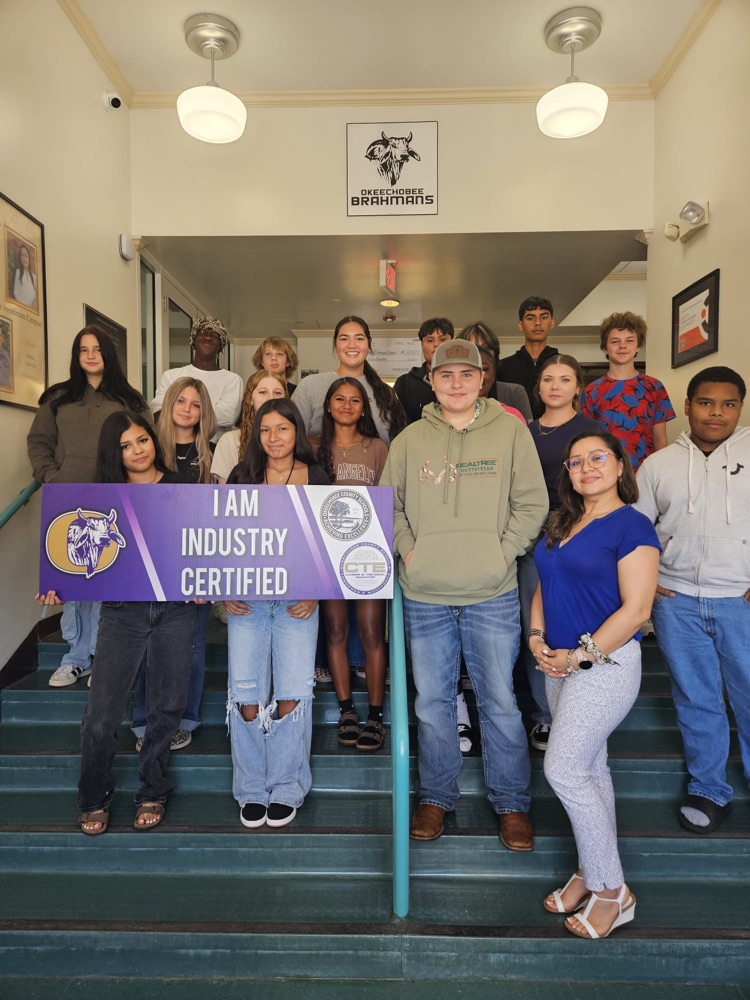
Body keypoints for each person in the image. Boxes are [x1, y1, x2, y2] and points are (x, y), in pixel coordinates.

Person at [381, 340, 548, 848]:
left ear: (483, 380)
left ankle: (512, 804)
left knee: (499, 701)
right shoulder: (408, 440)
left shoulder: (512, 434)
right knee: (432, 703)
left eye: (466, 375)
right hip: (425, 594)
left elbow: (532, 503)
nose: (456, 383)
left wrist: (503, 553)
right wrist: (411, 553)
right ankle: (436, 796)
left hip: (492, 591)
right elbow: (390, 508)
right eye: (445, 375)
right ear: (430, 381)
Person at [35, 411, 199, 834]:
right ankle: (94, 796)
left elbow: (199, 548)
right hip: (122, 614)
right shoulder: (98, 500)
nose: (137, 450)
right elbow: (76, 556)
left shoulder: (184, 487)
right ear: (115, 453)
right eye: (126, 446)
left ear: (153, 440)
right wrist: (59, 585)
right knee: (102, 716)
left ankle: (153, 790)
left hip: (176, 611)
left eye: (142, 440)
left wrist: (205, 581)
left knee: (166, 708)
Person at [530, 431, 659, 938]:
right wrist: (538, 638)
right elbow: (545, 583)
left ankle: (612, 891)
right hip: (559, 665)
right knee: (591, 769)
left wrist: (580, 657)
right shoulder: (562, 522)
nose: (586, 468)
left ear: (621, 465)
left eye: (598, 458)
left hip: (603, 668)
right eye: (576, 461)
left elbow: (637, 610)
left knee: (563, 770)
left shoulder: (632, 525)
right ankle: (589, 868)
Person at [635, 366, 749, 835]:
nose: (716, 413)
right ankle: (709, 788)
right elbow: (636, 530)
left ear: (740, 407)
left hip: (739, 600)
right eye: (705, 402)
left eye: (728, 404)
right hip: (677, 601)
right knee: (697, 698)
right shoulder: (658, 465)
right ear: (686, 406)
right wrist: (648, 579)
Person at [224, 398, 328, 829]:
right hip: (247, 601)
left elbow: (330, 541)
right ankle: (251, 787)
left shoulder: (318, 477)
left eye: (282, 429)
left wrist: (319, 592)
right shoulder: (241, 475)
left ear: (296, 431)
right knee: (245, 695)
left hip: (298, 602)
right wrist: (222, 587)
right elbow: (219, 537)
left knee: (292, 693)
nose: (274, 438)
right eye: (265, 430)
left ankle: (286, 786)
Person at [27, 326, 150, 688]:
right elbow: (38, 443)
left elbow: (144, 443)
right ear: (76, 356)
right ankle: (76, 658)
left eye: (97, 349)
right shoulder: (58, 398)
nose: (91, 355)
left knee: (109, 580)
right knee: (75, 581)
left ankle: (104, 658)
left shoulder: (130, 399)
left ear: (108, 354)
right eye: (84, 349)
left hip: (115, 503)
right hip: (68, 504)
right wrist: (52, 476)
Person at [519, 355, 605, 751]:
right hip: (530, 539)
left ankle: (583, 711)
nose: (555, 386)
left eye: (565, 379)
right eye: (548, 379)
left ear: (577, 387)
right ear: (538, 386)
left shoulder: (590, 430)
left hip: (579, 535)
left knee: (581, 623)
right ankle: (544, 716)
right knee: (537, 627)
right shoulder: (523, 432)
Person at [131, 377, 217, 752]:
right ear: (167, 404)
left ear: (204, 412)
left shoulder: (212, 453)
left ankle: (185, 718)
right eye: (180, 401)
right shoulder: (147, 448)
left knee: (192, 645)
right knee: (148, 643)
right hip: (150, 556)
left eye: (195, 404)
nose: (186, 409)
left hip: (197, 557)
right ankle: (143, 721)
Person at [313, 377, 389, 752]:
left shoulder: (377, 448)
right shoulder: (314, 449)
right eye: (339, 399)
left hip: (369, 553)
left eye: (354, 400)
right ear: (328, 405)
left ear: (364, 407)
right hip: (326, 553)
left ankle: (375, 715)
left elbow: (392, 500)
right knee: (336, 630)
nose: (346, 405)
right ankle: (347, 710)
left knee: (373, 633)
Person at [581, 311, 675, 470]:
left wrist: (662, 472)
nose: (622, 346)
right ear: (605, 348)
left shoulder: (654, 387)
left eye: (629, 340)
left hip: (646, 472)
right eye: (615, 341)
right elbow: (587, 440)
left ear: (638, 346)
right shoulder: (591, 391)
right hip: (605, 471)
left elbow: (660, 439)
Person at [292, 315, 406, 444]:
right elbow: (293, 438)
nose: (352, 345)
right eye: (344, 339)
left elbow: (397, 446)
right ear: (335, 345)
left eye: (359, 338)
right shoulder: (310, 386)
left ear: (369, 345)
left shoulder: (386, 393)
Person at [151, 316, 242, 442]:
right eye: (203, 333)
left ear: (221, 345)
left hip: (214, 453)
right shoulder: (171, 375)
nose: (208, 337)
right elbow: (159, 410)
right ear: (193, 340)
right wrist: (208, 412)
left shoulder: (232, 380)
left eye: (215, 335)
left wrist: (178, 410)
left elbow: (229, 416)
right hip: (172, 448)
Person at [211, 370, 287, 484]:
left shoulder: (292, 440)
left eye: (277, 393)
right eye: (263, 392)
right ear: (250, 399)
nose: (271, 398)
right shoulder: (229, 442)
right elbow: (226, 496)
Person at [498, 297, 559, 419]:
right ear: (520, 325)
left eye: (544, 317)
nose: (537, 323)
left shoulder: (563, 365)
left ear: (552, 323)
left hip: (556, 430)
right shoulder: (503, 367)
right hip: (512, 431)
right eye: (530, 318)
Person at [458, 322, 532, 422]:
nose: (479, 354)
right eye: (472, 348)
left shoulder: (514, 393)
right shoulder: (449, 393)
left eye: (485, 348)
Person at [393, 317, 454, 425]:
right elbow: (397, 423)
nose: (436, 344)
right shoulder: (404, 384)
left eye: (443, 339)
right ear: (421, 345)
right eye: (430, 340)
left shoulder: (464, 380)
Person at [13, 243, 37, 309]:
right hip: (22, 311)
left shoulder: (34, 277)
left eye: (26, 255)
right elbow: (16, 292)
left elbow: (36, 297)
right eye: (22, 255)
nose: (24, 258)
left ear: (29, 258)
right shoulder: (18, 272)